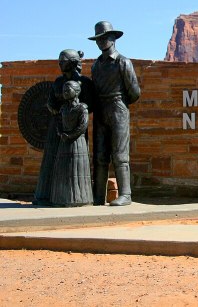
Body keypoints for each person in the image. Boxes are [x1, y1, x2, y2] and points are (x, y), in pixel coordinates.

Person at [33, 49, 94, 206]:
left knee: (74, 163)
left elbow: (90, 104)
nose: (60, 64)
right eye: (59, 61)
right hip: (57, 123)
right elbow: (50, 102)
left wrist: (73, 112)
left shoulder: (84, 82)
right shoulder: (58, 82)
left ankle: (73, 196)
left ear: (72, 63)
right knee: (51, 157)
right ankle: (45, 195)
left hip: (74, 125)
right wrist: (58, 111)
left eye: (63, 61)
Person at [89, 21, 140, 206]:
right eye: (98, 39)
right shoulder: (96, 66)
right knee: (100, 155)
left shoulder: (123, 62)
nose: (101, 42)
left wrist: (119, 104)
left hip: (118, 108)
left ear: (113, 38)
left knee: (120, 154)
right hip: (101, 110)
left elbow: (134, 92)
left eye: (104, 38)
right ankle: (98, 196)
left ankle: (125, 194)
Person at [49, 81, 93, 206]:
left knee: (77, 170)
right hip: (64, 142)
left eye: (68, 90)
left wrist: (70, 135)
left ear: (77, 91)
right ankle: (61, 198)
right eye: (64, 90)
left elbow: (83, 126)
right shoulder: (63, 108)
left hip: (77, 143)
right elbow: (58, 122)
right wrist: (60, 133)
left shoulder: (82, 108)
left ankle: (80, 198)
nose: (65, 92)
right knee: (63, 170)